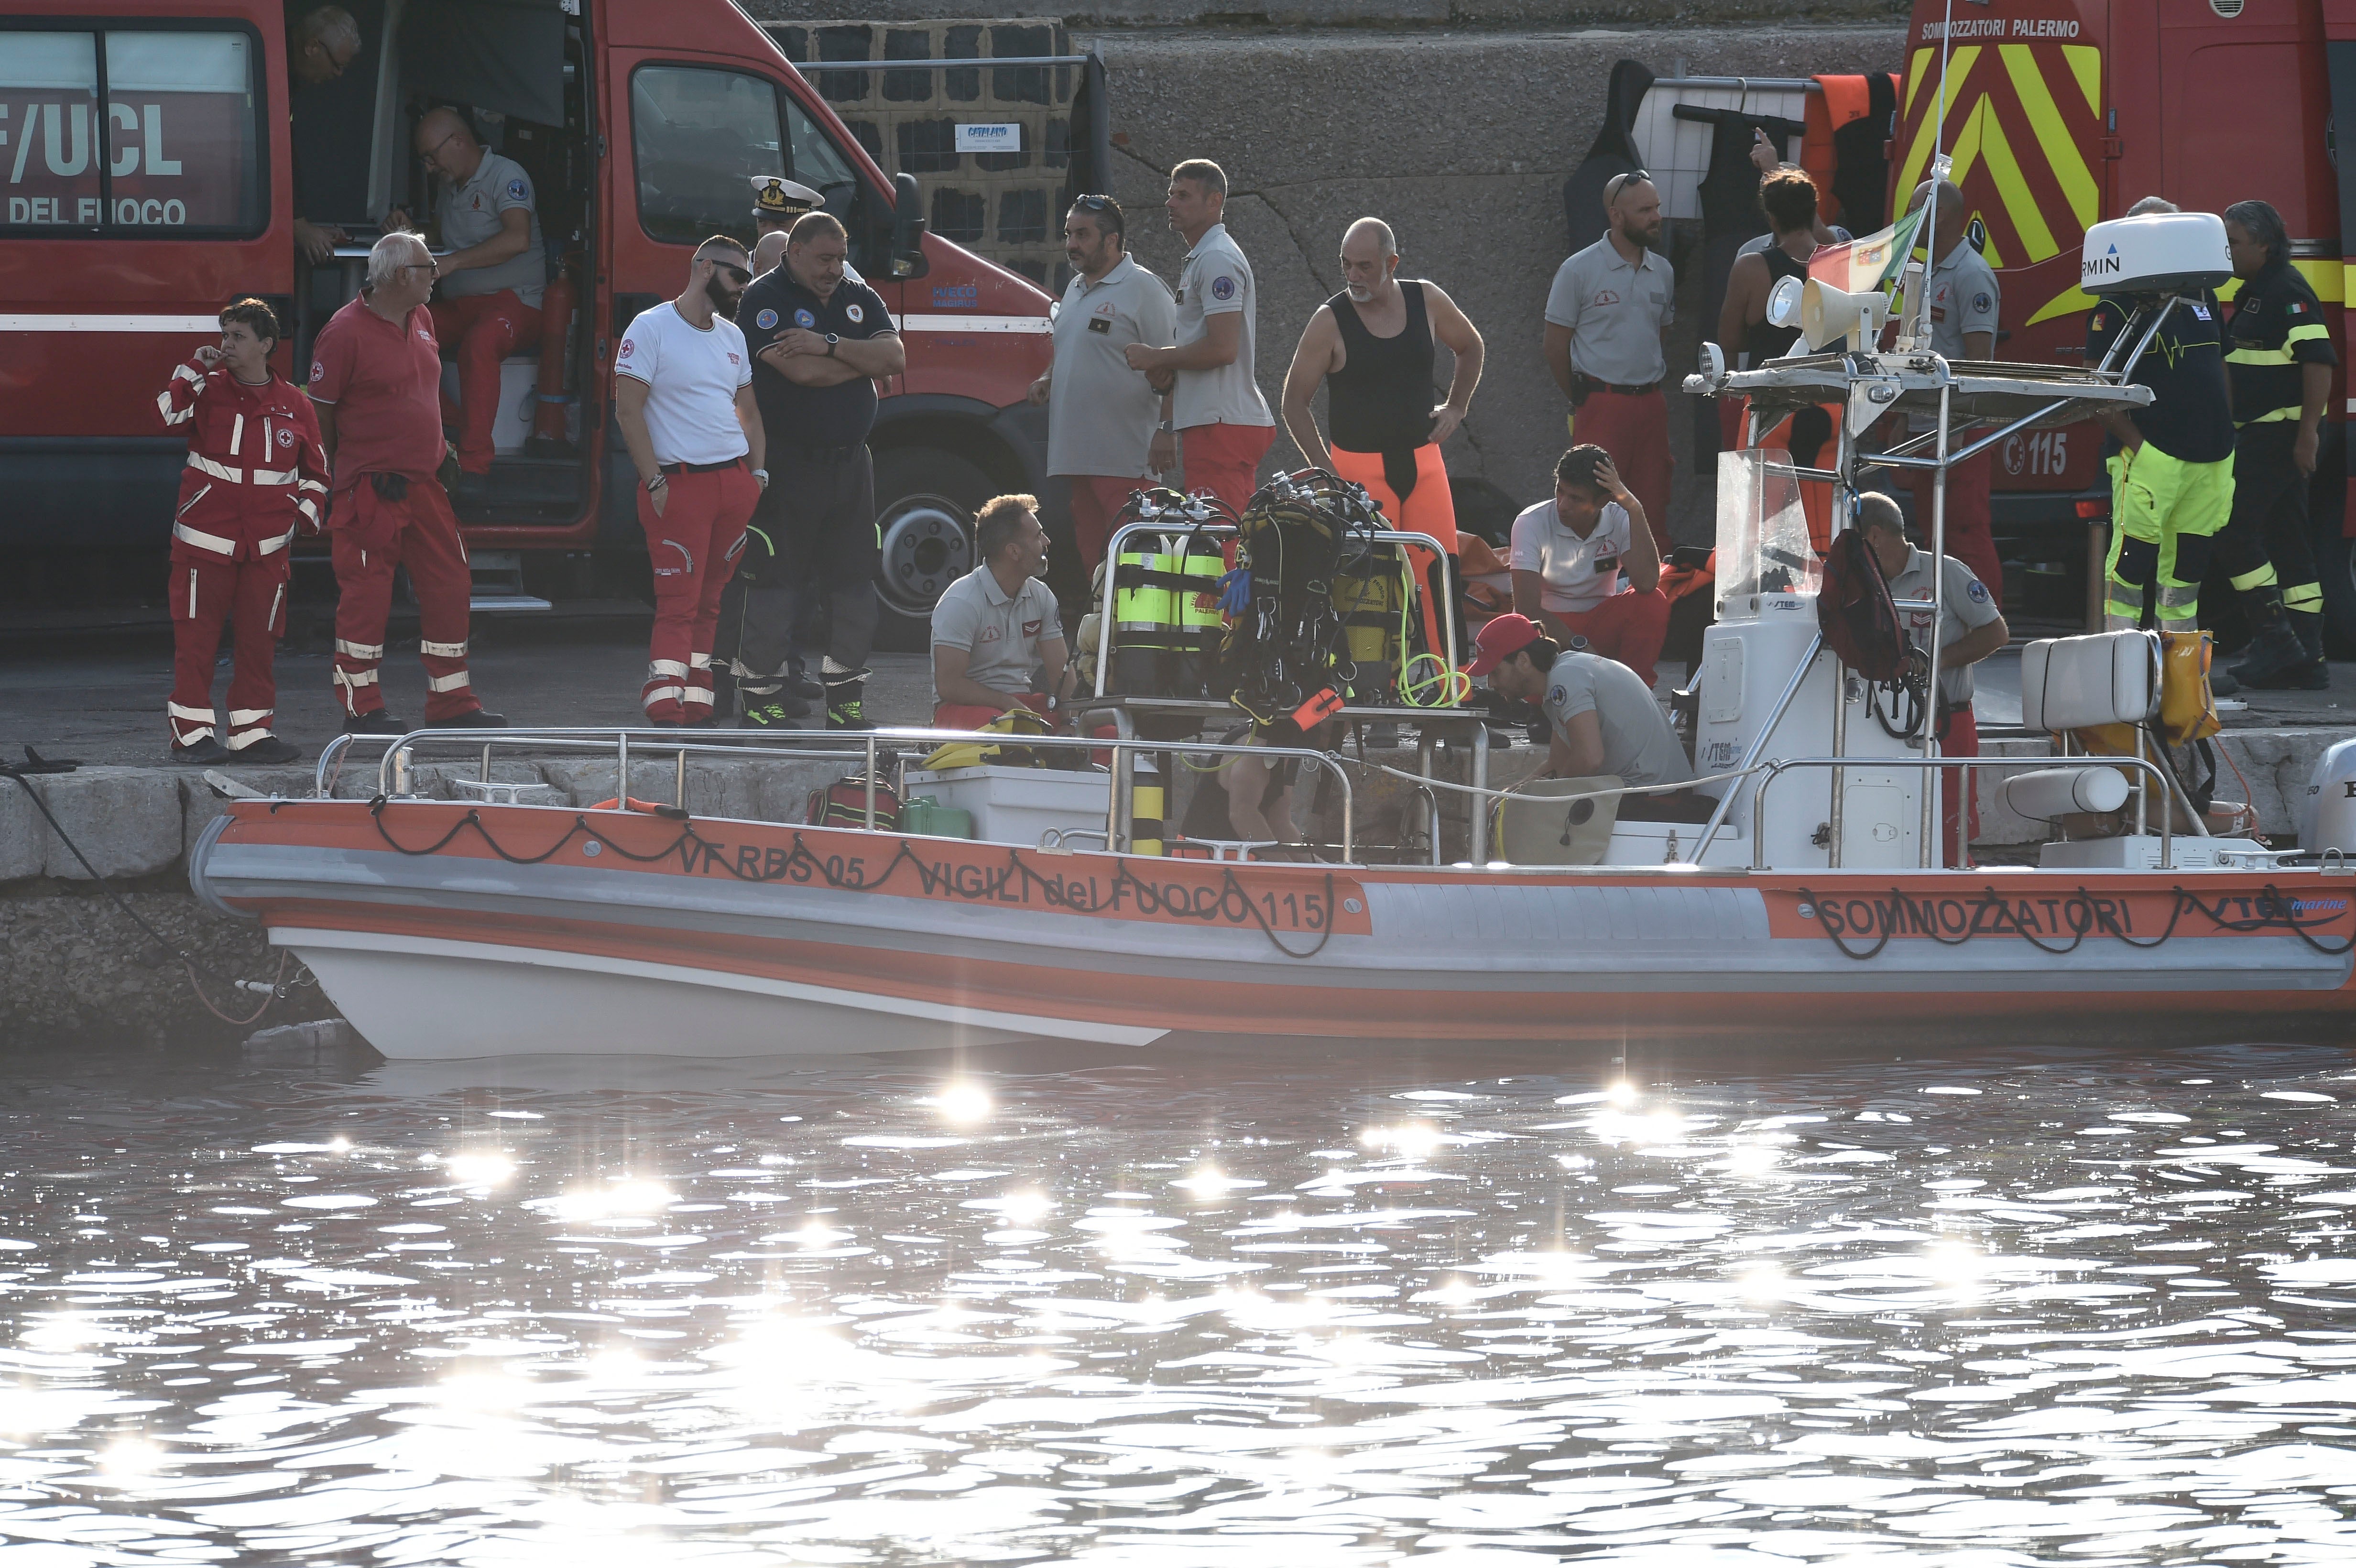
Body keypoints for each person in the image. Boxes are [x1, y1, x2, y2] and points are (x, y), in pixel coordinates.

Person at [310, 232, 502, 733]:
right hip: (371, 488)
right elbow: (321, 413)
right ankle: (362, 707)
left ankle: (452, 702)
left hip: (423, 484)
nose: (436, 273)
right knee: (366, 595)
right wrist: (341, 470)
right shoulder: (344, 332)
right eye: (427, 267)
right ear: (400, 275)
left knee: (449, 584)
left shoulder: (421, 318)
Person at [730, 211, 907, 730]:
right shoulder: (765, 297)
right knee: (774, 583)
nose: (835, 269)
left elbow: (894, 357)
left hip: (851, 464)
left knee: (852, 586)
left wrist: (829, 345)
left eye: (840, 258)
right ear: (796, 251)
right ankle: (760, 699)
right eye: (824, 259)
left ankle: (845, 703)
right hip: (789, 465)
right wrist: (860, 361)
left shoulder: (857, 293)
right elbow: (799, 372)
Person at [1279, 216, 1484, 660]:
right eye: (1346, 265)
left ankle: (1451, 693)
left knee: (1440, 575)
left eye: (1365, 267)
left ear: (1392, 263)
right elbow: (1294, 403)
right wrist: (1327, 473)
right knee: (1370, 583)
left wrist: (1458, 407)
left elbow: (1471, 346)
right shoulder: (1329, 321)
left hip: (1423, 463)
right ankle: (1376, 695)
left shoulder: (1425, 298)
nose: (1354, 277)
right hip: (1359, 471)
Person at [156, 298, 327, 765]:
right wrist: (194, 366)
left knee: (259, 641)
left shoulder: (296, 404)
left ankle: (251, 733)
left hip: (267, 548)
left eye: (237, 337)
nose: (226, 344)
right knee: (197, 640)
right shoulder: (205, 388)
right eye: (224, 334)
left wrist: (303, 516)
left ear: (266, 345)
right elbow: (167, 414)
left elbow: (316, 472)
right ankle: (191, 735)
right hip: (204, 541)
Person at [612, 236, 764, 726]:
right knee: (679, 600)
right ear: (703, 268)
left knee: (711, 600)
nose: (744, 286)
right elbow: (627, 409)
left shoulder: (732, 336)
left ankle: (697, 698)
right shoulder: (651, 327)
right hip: (679, 485)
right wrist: (654, 480)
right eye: (737, 276)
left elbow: (748, 411)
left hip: (731, 483)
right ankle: (664, 699)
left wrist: (756, 475)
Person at [2085, 197, 2236, 668]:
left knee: (2186, 574)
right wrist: (2138, 447)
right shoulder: (2115, 304)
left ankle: (2180, 676)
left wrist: (2224, 429)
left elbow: (2218, 364)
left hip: (2209, 457)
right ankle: (2121, 667)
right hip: (2150, 456)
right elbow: (2095, 385)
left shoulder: (2201, 293)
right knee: (2130, 566)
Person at [381, 108, 545, 509]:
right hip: (462, 303)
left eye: (431, 156)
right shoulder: (451, 186)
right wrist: (410, 232)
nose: (429, 166)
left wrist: (453, 262)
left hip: (516, 300)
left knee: (481, 344)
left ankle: (474, 466)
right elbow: (445, 233)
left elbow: (517, 239)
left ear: (458, 141)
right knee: (395, 329)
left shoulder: (506, 176)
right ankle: (453, 422)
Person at [2219, 197, 2334, 688]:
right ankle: (2306, 659)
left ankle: (2274, 640)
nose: (2227, 252)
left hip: (2280, 432)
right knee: (2290, 544)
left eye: (2234, 242)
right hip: (2265, 431)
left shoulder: (2286, 290)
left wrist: (2306, 434)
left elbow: (2317, 362)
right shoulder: (2252, 291)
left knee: (2231, 530)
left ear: (2263, 244)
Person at [1857, 492, 2007, 866]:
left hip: (1947, 721)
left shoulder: (1946, 573)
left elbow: (1996, 633)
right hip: (1882, 726)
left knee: (1949, 834)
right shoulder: (1862, 586)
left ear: (1874, 536)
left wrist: (1932, 663)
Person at [1123, 160, 1277, 518]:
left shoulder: (1217, 259)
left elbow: (1223, 349)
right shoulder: (1204, 257)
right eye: (1170, 195)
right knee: (1219, 532)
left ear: (1214, 202)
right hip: (1214, 421)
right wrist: (1170, 370)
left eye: (1183, 195)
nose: (1170, 203)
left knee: (1220, 536)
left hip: (1220, 424)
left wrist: (1158, 358)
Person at [1032, 195, 1176, 574]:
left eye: (1082, 235)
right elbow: (1074, 346)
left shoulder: (1145, 289)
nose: (1071, 244)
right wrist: (1048, 377)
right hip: (1077, 455)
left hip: (1127, 456)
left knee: (1136, 557)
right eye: (1068, 234)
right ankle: (1102, 628)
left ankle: (1137, 631)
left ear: (1111, 240)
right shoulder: (1076, 290)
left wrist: (1167, 428)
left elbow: (1175, 363)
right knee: (1094, 559)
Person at [1544, 170, 1676, 549]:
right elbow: (1555, 346)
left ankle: (1653, 591)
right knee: (1590, 502)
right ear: (1616, 216)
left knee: (1653, 501)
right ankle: (1587, 586)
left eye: (1657, 208)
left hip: (1651, 405)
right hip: (1601, 404)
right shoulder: (1578, 270)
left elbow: (1660, 332)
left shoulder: (1663, 271)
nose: (1656, 217)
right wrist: (1583, 394)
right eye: (1645, 210)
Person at [1469, 612, 1702, 820]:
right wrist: (1502, 799)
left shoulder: (1565, 680)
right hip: (1648, 791)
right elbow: (1557, 765)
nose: (1492, 684)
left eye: (1495, 672)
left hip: (1656, 799)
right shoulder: (1563, 676)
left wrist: (1546, 799)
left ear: (1523, 661)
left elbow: (1590, 758)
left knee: (1543, 823)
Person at [1897, 179, 2004, 606]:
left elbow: (1977, 364)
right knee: (1934, 532)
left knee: (1964, 531)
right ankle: (1948, 617)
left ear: (1938, 215)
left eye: (1914, 209)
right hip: (1927, 425)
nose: (1908, 218)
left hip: (1959, 428)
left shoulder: (1971, 274)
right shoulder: (1925, 273)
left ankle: (1984, 626)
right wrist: (1904, 419)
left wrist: (1958, 425)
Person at [1508, 446, 1669, 686]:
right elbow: (1527, 610)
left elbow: (1646, 583)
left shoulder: (1621, 517)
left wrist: (1635, 508)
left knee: (1652, 601)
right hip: (1549, 629)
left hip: (1601, 622)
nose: (1562, 505)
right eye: (1560, 491)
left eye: (1576, 498)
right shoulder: (1530, 522)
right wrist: (1579, 645)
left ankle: (1635, 690)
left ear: (1604, 501)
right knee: (1524, 643)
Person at [930, 494, 1074, 729]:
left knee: (1105, 733)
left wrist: (1073, 722)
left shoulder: (1041, 595)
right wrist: (1007, 703)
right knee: (1014, 730)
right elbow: (949, 686)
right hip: (961, 710)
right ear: (1014, 552)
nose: (1047, 542)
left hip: (1020, 704)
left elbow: (1061, 672)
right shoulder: (961, 601)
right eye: (1038, 536)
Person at [288, 5, 362, 266]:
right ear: (312, 47)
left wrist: (305, 227)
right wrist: (297, 226)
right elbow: (269, 155)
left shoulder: (290, 78)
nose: (338, 74)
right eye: (337, 65)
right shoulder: (268, 68)